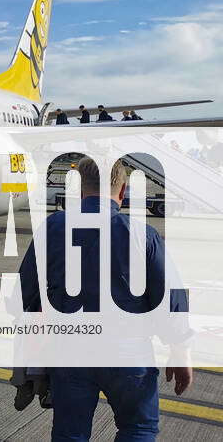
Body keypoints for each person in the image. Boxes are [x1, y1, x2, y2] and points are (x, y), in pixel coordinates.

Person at [18, 157, 193, 441]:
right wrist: (179, 348)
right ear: (122, 192)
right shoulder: (143, 235)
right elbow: (169, 295)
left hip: (70, 350)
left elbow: (25, 293)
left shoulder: (53, 227)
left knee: (69, 433)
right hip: (128, 353)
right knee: (138, 428)